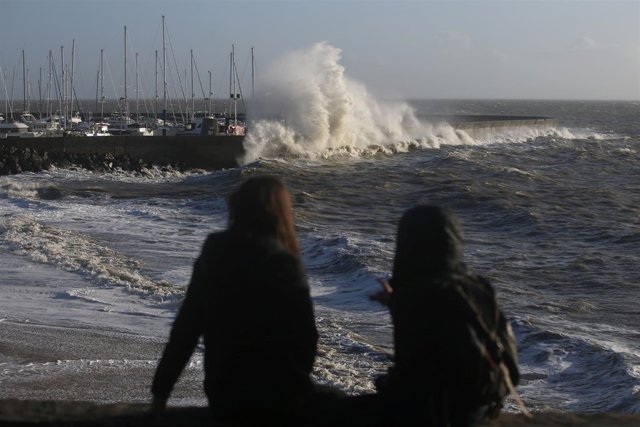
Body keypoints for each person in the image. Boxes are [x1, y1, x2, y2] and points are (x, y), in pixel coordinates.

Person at [151, 175, 319, 425]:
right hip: (278, 398)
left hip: (224, 393)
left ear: (237, 207)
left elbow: (187, 328)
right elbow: (306, 338)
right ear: (281, 213)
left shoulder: (215, 251)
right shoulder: (284, 262)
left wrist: (161, 393)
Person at [370, 205, 520, 427]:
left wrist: (381, 383)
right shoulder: (478, 286)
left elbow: (410, 377)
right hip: (484, 403)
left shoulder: (416, 296)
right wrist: (396, 303)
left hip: (442, 414)